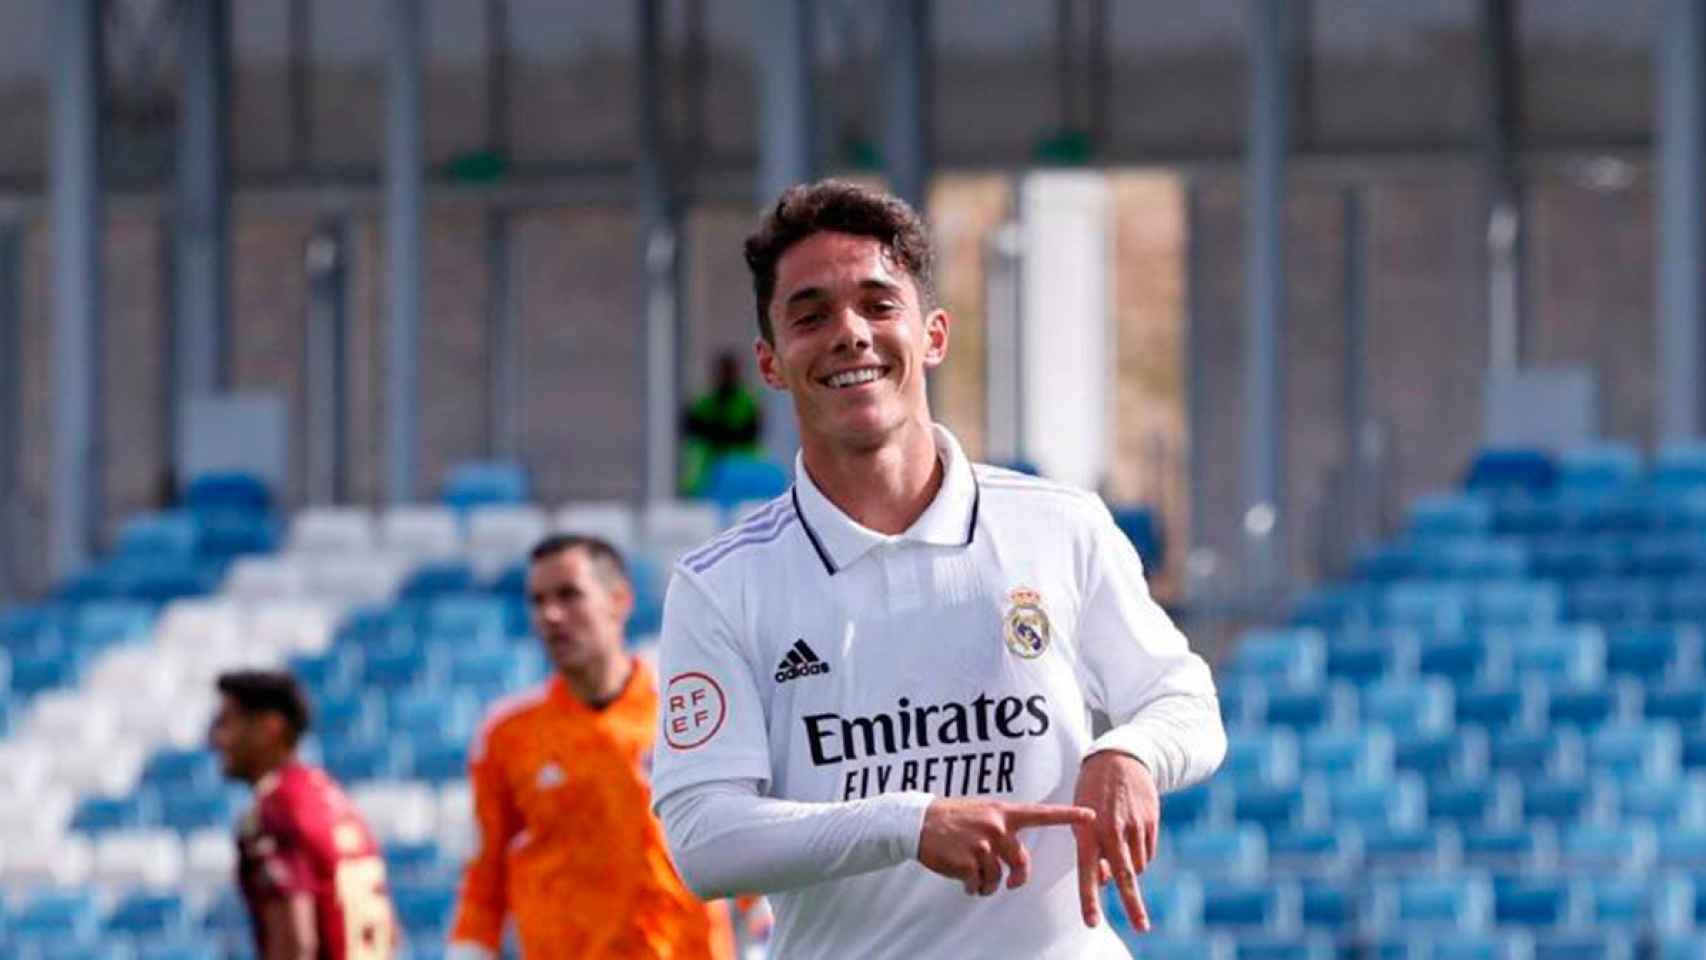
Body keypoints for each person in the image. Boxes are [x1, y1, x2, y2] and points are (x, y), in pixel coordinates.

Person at [650, 180, 1226, 958]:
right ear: (771, 362)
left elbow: (1184, 699)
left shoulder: (1058, 525)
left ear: (934, 335)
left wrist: (1129, 752)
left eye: (879, 305)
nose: (849, 333)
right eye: (811, 314)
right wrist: (910, 824)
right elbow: (704, 838)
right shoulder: (721, 586)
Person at [447, 534, 737, 960]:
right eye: (538, 600)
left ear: (619, 601)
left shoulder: (692, 710)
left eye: (569, 595)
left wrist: (766, 929)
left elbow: (741, 838)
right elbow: (484, 880)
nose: (551, 615)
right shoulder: (507, 734)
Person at [210, 670, 397, 960]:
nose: (215, 739)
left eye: (226, 723)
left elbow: (295, 943)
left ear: (269, 728)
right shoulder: (334, 801)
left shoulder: (276, 810)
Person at [680, 349, 764, 496]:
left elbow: (750, 432)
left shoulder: (747, 403)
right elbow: (689, 428)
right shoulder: (705, 403)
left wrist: (715, 431)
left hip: (741, 468)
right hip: (707, 471)